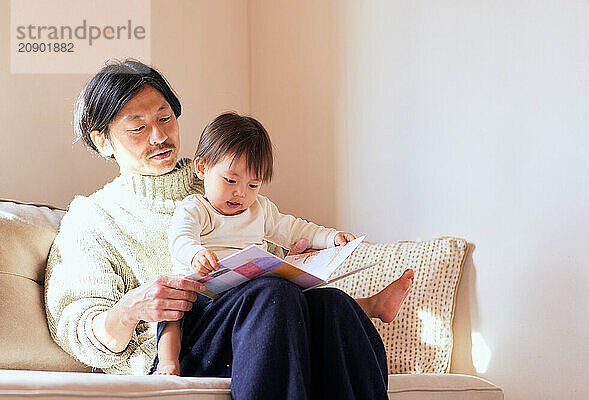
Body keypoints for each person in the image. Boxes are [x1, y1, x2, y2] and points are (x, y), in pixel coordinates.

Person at [44, 59, 413, 399]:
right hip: (178, 344)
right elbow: (74, 327)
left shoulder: (224, 183)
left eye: (166, 118)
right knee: (271, 295)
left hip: (259, 319)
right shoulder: (91, 218)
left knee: (334, 307)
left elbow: (267, 249)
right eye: (138, 127)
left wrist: (302, 256)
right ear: (102, 139)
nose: (159, 136)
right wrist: (129, 310)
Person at [154, 112, 364, 375]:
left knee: (317, 298)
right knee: (171, 311)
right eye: (230, 180)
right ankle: (168, 363)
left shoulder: (260, 209)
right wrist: (196, 254)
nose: (240, 192)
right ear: (202, 168)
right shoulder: (194, 209)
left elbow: (294, 229)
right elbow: (181, 239)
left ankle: (368, 306)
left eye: (253, 184)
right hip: (204, 297)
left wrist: (330, 238)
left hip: (250, 295)